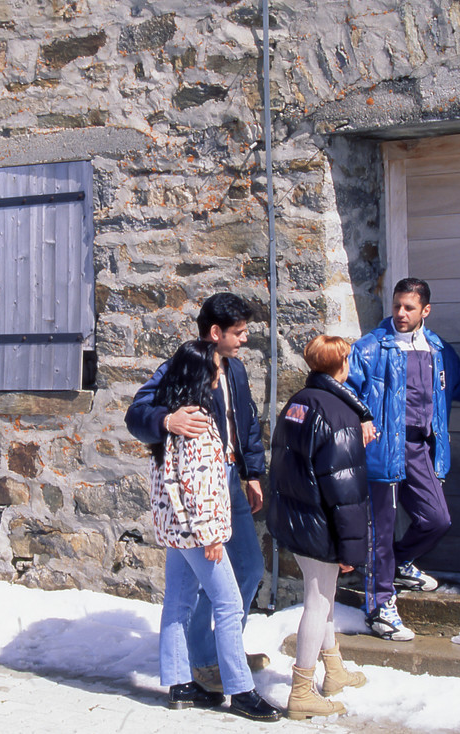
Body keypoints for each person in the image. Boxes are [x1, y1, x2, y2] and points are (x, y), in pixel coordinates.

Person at [346, 278, 460, 641]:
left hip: (419, 450)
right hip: (381, 449)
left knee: (436, 519)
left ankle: (398, 564)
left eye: (409, 307)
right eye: (397, 305)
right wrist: (362, 421)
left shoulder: (438, 349)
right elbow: (346, 389)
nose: (400, 313)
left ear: (425, 310)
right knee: (381, 532)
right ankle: (380, 608)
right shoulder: (369, 348)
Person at [125, 293, 268, 690]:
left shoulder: (235, 370)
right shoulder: (179, 366)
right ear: (215, 332)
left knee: (250, 567)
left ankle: (222, 651)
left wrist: (253, 473)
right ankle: (206, 659)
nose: (245, 339)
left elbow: (247, 423)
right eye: (238, 332)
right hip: (197, 487)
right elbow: (136, 414)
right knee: (211, 586)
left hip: (230, 480)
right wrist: (166, 420)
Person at [149, 340, 281, 722]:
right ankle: (240, 690)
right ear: (200, 375)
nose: (220, 373)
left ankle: (180, 684)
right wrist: (210, 535)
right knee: (228, 603)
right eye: (214, 369)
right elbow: (198, 483)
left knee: (178, 601)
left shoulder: (172, 419)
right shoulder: (198, 422)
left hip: (177, 528)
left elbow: (166, 481)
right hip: (198, 532)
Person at [266, 335, 374, 719]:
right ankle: (301, 690)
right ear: (341, 365)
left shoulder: (298, 403)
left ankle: (334, 669)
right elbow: (345, 490)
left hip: (295, 515)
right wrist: (351, 547)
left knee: (323, 595)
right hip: (319, 522)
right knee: (318, 601)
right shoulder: (338, 414)